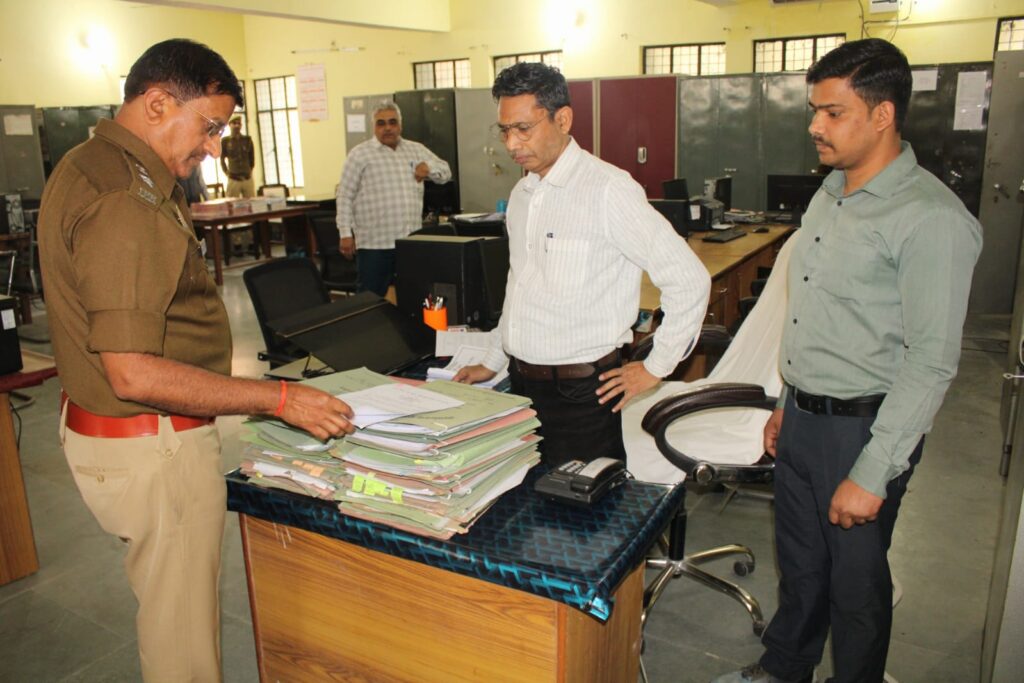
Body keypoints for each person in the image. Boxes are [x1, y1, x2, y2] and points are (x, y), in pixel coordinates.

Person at [37, 39, 355, 683]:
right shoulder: (125, 198)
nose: (213, 147)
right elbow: (132, 371)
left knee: (171, 613)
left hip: (119, 432)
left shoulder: (91, 163)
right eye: (209, 127)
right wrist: (280, 399)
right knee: (181, 640)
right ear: (157, 103)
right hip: (154, 444)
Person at [713, 39, 982, 683]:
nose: (815, 125)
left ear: (883, 115)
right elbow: (813, 314)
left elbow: (931, 362)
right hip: (804, 420)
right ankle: (786, 668)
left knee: (856, 586)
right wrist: (788, 402)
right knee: (802, 565)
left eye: (833, 113)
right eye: (815, 110)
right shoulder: (829, 194)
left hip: (866, 428)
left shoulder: (930, 219)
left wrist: (874, 471)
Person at [454, 62, 710, 466]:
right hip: (521, 387)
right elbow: (521, 287)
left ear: (563, 120)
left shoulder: (608, 189)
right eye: (504, 130)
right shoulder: (522, 194)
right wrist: (493, 360)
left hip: (581, 396)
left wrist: (656, 366)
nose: (512, 143)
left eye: (523, 128)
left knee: (581, 504)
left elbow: (689, 279)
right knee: (523, 498)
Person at [335, 101, 452, 296]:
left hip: (410, 242)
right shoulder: (359, 155)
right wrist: (345, 233)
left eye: (392, 122)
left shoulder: (416, 150)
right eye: (381, 123)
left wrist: (429, 168)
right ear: (374, 127)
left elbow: (446, 172)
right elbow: (344, 195)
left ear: (400, 125)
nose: (388, 128)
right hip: (374, 245)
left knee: (414, 295)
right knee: (369, 300)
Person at [220, 114, 255, 198]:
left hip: (247, 178)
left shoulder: (247, 140)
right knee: (232, 203)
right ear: (229, 125)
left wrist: (249, 170)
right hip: (233, 179)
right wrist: (226, 172)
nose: (237, 125)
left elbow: (252, 158)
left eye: (239, 123)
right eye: (234, 123)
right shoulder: (225, 141)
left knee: (251, 203)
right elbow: (222, 159)